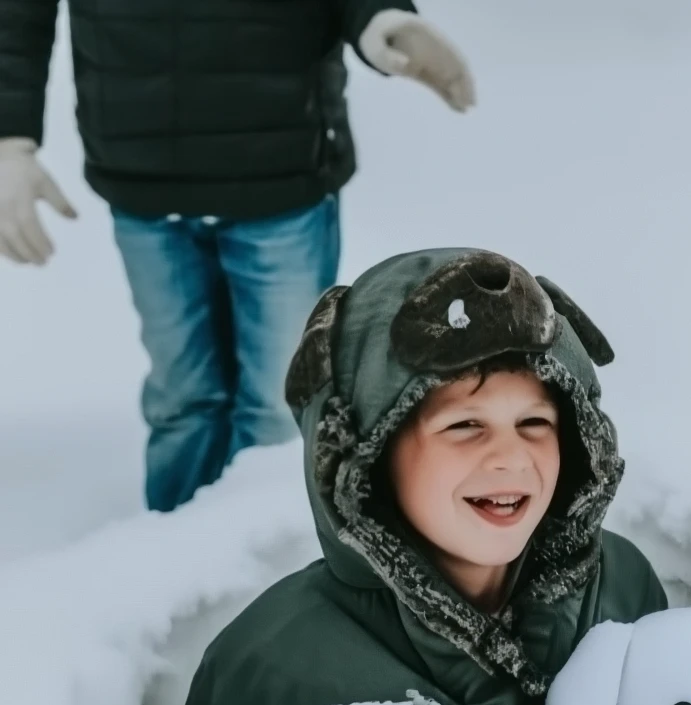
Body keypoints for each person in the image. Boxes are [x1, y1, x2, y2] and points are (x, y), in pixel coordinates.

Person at [176, 247, 668, 705]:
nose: (512, 458)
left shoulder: (621, 591)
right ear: (370, 452)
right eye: (465, 424)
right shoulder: (272, 667)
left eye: (534, 422)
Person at [0, 2, 474, 512]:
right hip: (142, 180)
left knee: (278, 409)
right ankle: (169, 563)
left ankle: (264, 571)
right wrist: (8, 137)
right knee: (183, 403)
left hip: (280, 179)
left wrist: (382, 15)